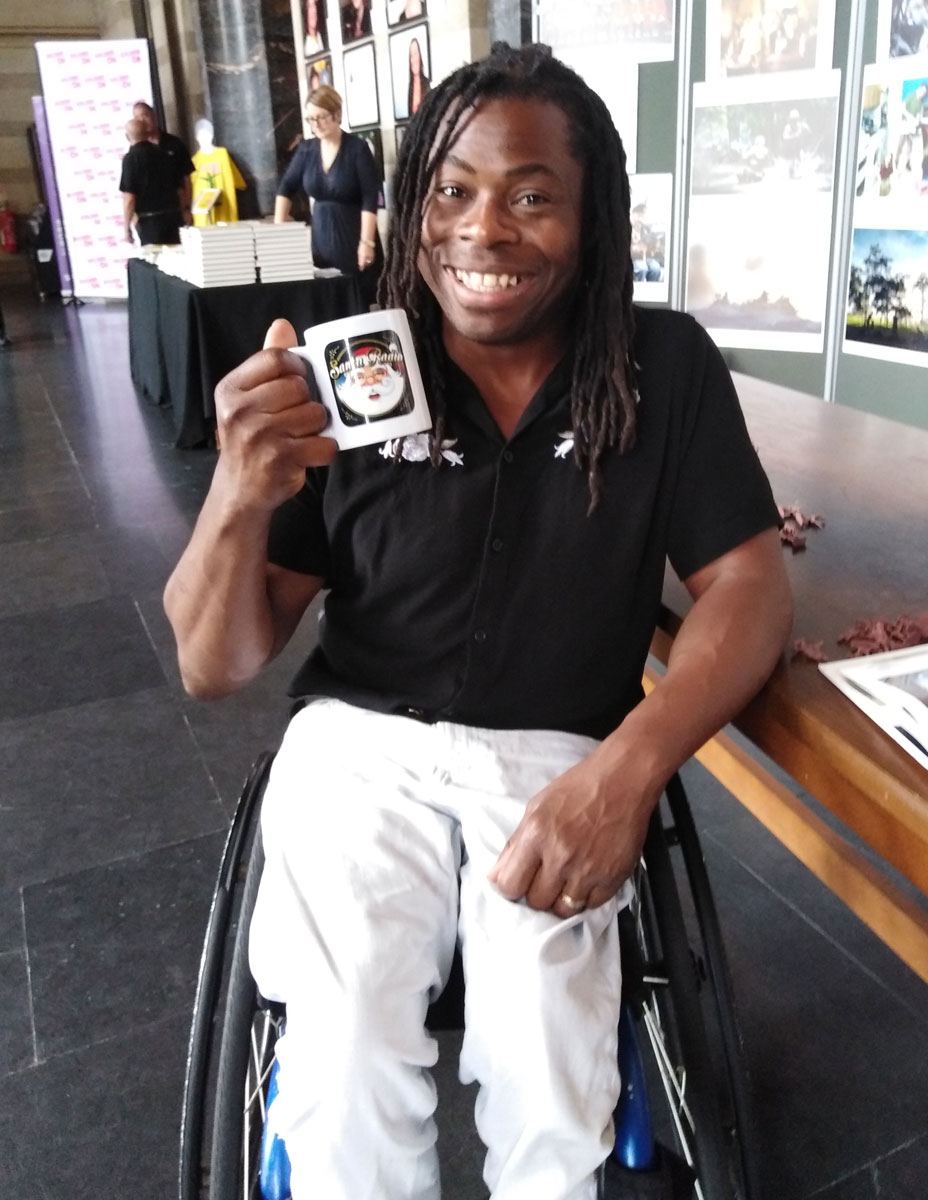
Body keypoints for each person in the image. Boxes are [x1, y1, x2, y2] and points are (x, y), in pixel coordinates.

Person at [163, 41, 792, 1200]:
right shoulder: (354, 370)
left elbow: (748, 587)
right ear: (412, 210)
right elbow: (217, 662)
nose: (483, 231)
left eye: (532, 196)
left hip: (559, 754)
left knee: (555, 1078)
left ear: (593, 217)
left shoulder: (660, 368)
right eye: (452, 192)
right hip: (359, 747)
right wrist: (237, 496)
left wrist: (629, 773)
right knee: (342, 1047)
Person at [274, 85, 381, 301]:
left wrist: (367, 243)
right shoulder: (306, 150)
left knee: (358, 301)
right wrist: (279, 228)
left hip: (354, 237)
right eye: (311, 119)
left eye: (321, 117)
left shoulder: (357, 149)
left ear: (337, 114)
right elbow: (285, 187)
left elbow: (371, 197)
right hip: (321, 239)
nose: (316, 124)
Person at [119, 117, 187, 245]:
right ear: (146, 134)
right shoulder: (165, 154)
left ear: (127, 137)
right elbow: (180, 189)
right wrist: (185, 211)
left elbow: (129, 197)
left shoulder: (130, 159)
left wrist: (126, 228)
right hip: (174, 218)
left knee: (156, 262)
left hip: (150, 223)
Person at [132, 101, 195, 220]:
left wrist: (187, 208)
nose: (142, 121)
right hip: (149, 218)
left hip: (175, 211)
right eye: (137, 118)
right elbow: (132, 187)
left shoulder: (174, 144)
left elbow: (186, 179)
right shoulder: (135, 152)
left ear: (153, 116)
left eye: (145, 115)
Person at [407, 36, 430, 115]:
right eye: (411, 56)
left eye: (416, 54)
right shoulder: (410, 86)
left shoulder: (426, 83)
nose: (414, 59)